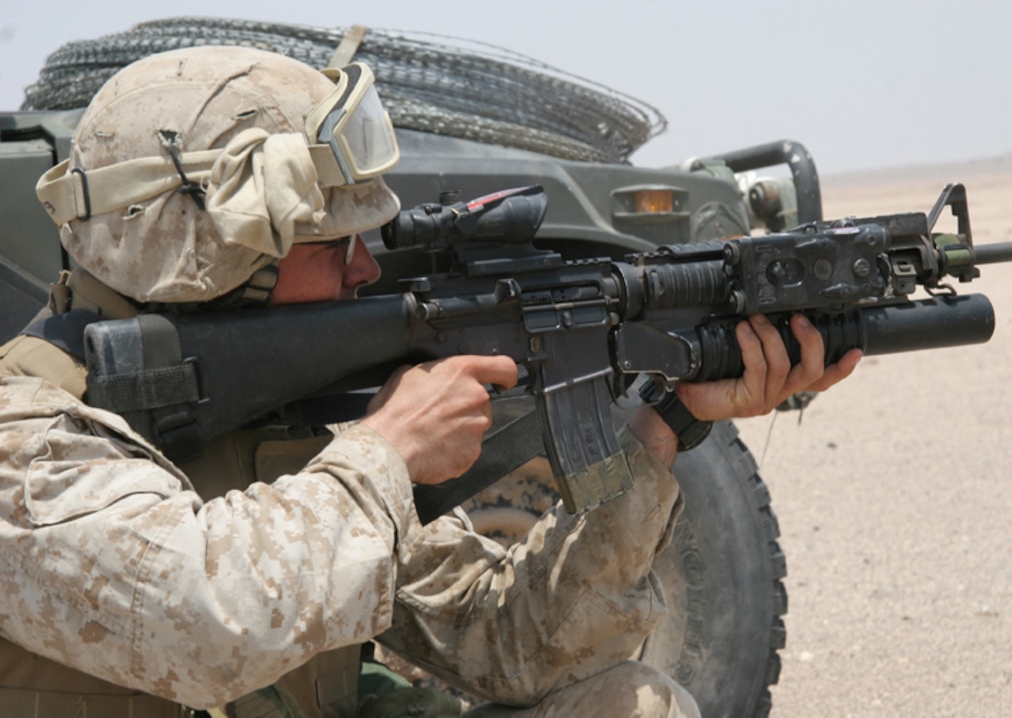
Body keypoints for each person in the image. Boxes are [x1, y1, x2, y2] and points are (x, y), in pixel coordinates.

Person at [0, 46, 860, 718]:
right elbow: (208, 621)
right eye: (332, 242)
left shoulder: (283, 432)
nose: (367, 266)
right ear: (211, 255)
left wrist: (658, 428)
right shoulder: (24, 447)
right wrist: (388, 452)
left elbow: (513, 645)